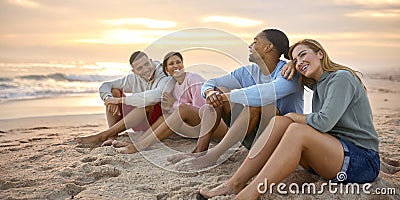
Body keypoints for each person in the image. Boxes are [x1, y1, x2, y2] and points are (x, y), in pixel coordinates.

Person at [198, 39, 380, 199]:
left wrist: (293, 116)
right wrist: (293, 65)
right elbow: (297, 74)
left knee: (296, 129)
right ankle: (234, 183)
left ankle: (250, 193)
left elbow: (324, 122)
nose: (300, 62)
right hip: (331, 154)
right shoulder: (317, 83)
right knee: (280, 122)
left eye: (303, 55)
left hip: (361, 160)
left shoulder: (341, 78)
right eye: (296, 59)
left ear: (320, 53)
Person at [169, 29, 304, 170]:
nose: (250, 46)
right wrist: (209, 93)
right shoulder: (248, 72)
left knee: (256, 105)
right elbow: (212, 83)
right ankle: (199, 152)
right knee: (219, 90)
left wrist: (226, 97)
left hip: (279, 139)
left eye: (255, 41)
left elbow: (265, 94)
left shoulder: (289, 73)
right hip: (254, 137)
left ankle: (213, 156)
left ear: (268, 47)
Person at [114, 51, 228, 154]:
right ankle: (140, 142)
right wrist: (170, 107)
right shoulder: (174, 86)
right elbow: (177, 112)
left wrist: (174, 104)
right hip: (198, 129)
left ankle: (140, 146)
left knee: (182, 109)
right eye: (171, 64)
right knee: (165, 116)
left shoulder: (193, 79)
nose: (176, 66)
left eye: (178, 62)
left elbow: (203, 110)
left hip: (216, 126)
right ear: (166, 69)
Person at [75, 51, 174, 146]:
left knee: (146, 102)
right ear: (134, 71)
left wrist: (119, 100)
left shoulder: (164, 74)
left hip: (158, 123)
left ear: (151, 61)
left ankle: (104, 135)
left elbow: (156, 95)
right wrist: (108, 98)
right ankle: (112, 135)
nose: (145, 69)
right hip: (139, 120)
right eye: (139, 68)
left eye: (147, 64)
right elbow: (106, 85)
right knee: (114, 91)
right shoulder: (133, 79)